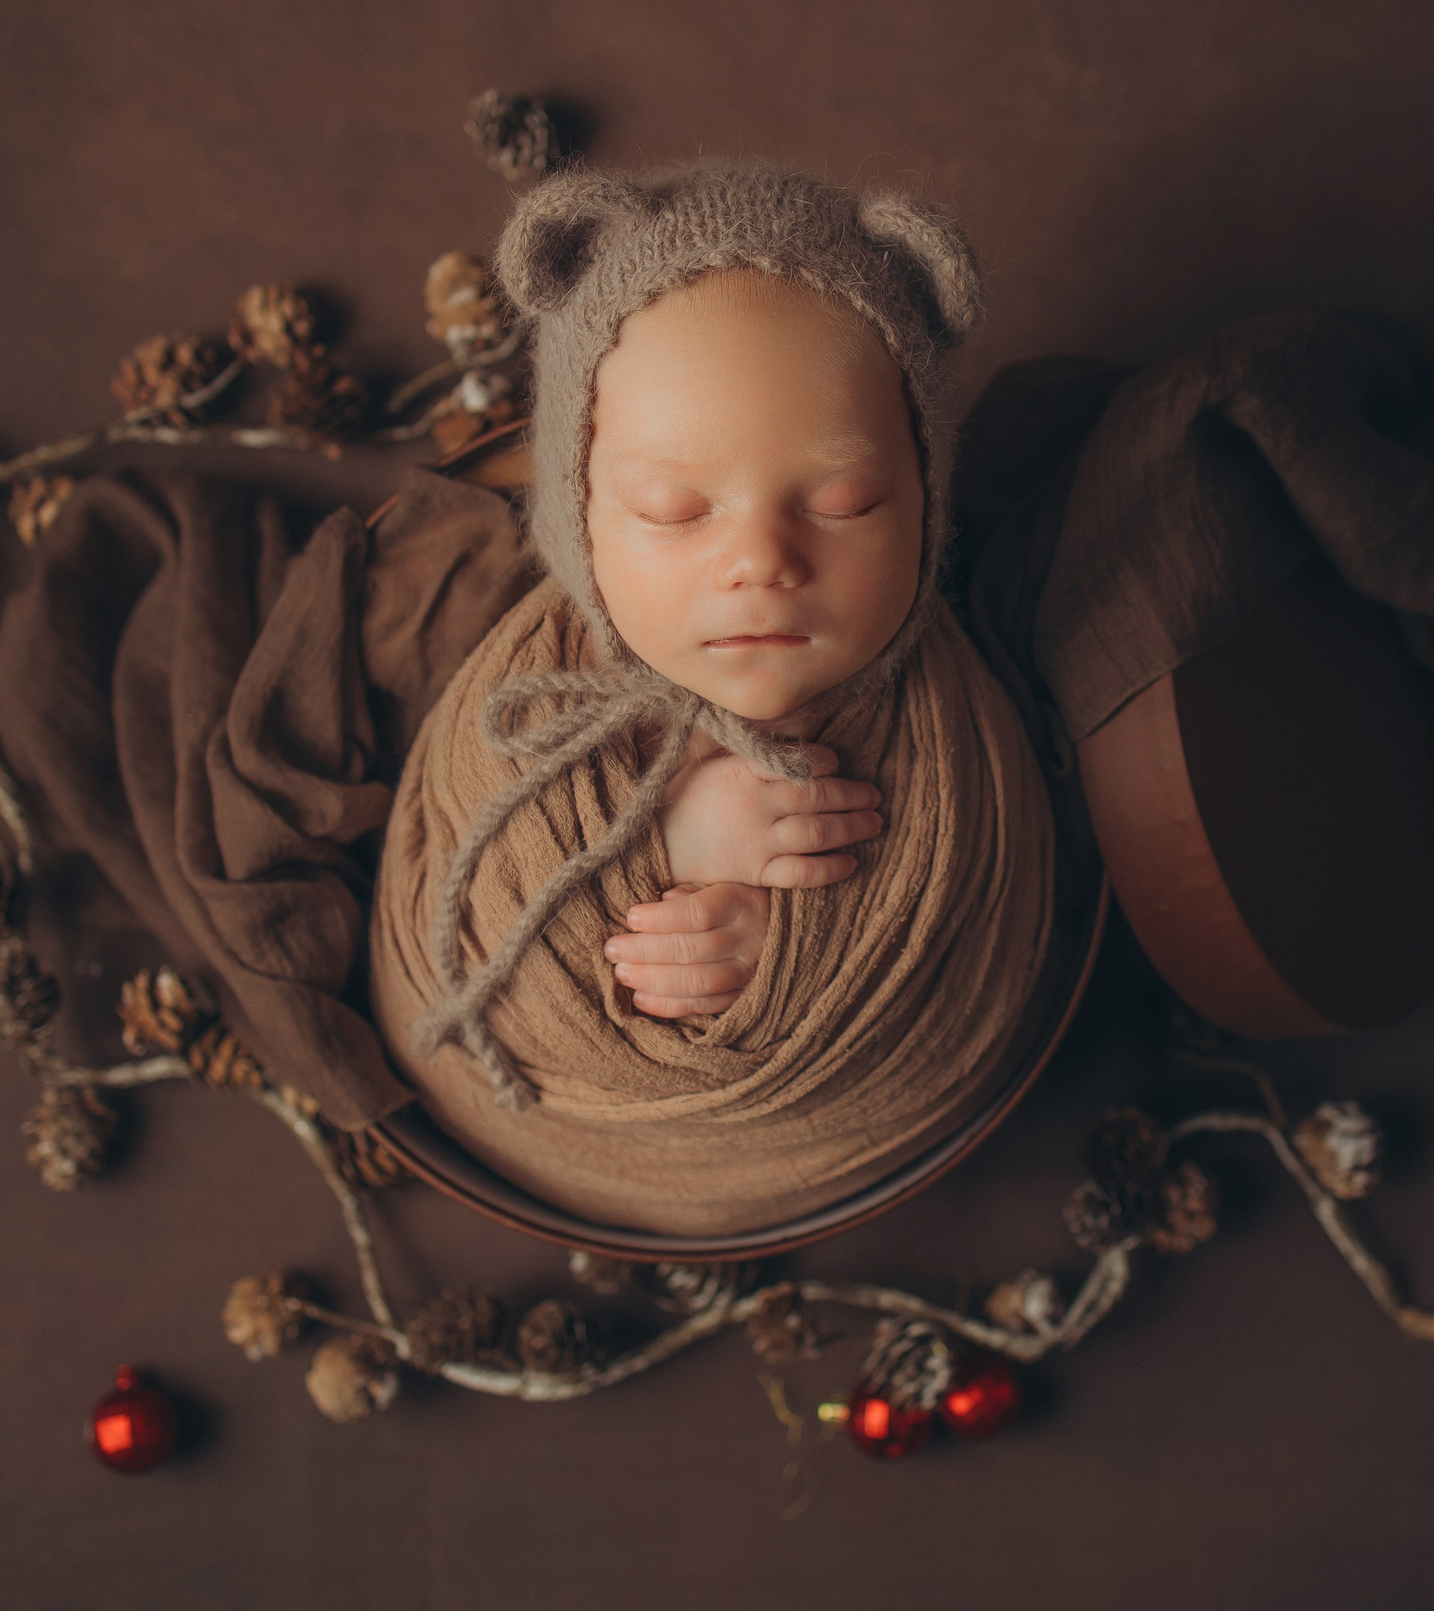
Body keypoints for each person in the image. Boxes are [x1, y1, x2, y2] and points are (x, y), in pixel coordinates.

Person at [366, 160, 1059, 1235]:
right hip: (536, 1133)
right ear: (575, 511)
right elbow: (470, 905)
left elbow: (954, 938)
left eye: (843, 501)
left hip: (824, 1157)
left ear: (925, 499)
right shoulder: (523, 691)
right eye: (675, 508)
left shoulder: (958, 742)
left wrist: (785, 954)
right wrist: (656, 846)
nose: (760, 560)